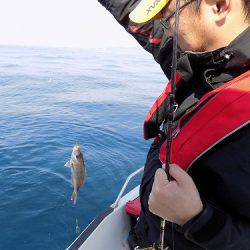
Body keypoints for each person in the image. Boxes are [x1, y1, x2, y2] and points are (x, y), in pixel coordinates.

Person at [98, 0, 250, 249]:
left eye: (169, 19)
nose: (166, 30)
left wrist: (197, 220)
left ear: (219, 6)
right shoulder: (201, 62)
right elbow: (134, 14)